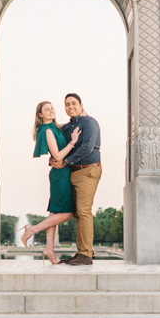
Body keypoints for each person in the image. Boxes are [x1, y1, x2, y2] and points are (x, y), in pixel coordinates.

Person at [20, 101, 80, 264]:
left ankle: (49, 250)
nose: (51, 111)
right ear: (40, 115)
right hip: (60, 175)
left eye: (52, 108)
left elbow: (69, 123)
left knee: (54, 214)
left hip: (61, 173)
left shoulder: (54, 127)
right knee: (67, 214)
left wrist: (83, 115)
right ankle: (32, 229)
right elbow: (58, 156)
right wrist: (73, 142)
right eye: (47, 110)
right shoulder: (46, 130)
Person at [51, 93, 101, 265]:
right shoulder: (67, 127)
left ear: (81, 105)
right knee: (78, 213)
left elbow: (88, 147)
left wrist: (65, 161)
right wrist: (54, 159)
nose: (70, 107)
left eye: (73, 103)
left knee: (84, 211)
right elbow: (57, 141)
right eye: (67, 105)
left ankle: (85, 255)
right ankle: (83, 252)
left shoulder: (89, 122)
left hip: (88, 170)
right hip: (72, 171)